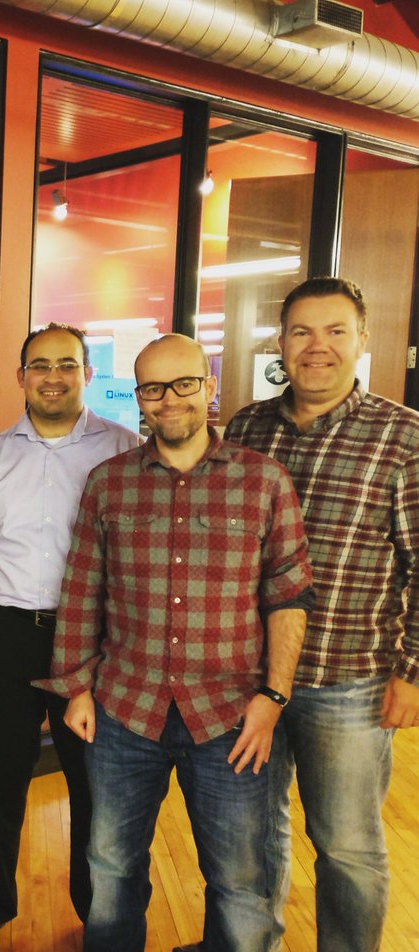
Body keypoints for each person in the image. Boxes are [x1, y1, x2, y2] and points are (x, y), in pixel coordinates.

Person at [41, 333, 313, 952]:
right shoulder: (109, 483)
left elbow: (289, 595)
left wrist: (273, 697)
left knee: (240, 882)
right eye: (153, 388)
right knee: (111, 871)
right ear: (138, 396)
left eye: (184, 384)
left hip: (231, 716)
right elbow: (82, 589)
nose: (169, 399)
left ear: (209, 386)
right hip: (124, 711)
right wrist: (76, 688)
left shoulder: (263, 481)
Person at [223, 277, 419, 951]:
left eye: (336, 331)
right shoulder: (247, 428)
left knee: (347, 846)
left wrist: (412, 672)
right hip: (249, 678)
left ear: (362, 340)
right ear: (280, 342)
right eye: (302, 331)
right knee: (254, 833)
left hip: (348, 682)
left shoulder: (404, 437)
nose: (317, 346)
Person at [0, 323, 139, 951]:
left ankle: (99, 913)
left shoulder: (124, 450)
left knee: (96, 786)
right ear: (21, 377)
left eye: (67, 364)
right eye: (41, 366)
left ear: (87, 374)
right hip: (3, 637)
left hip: (95, 642)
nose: (54, 377)